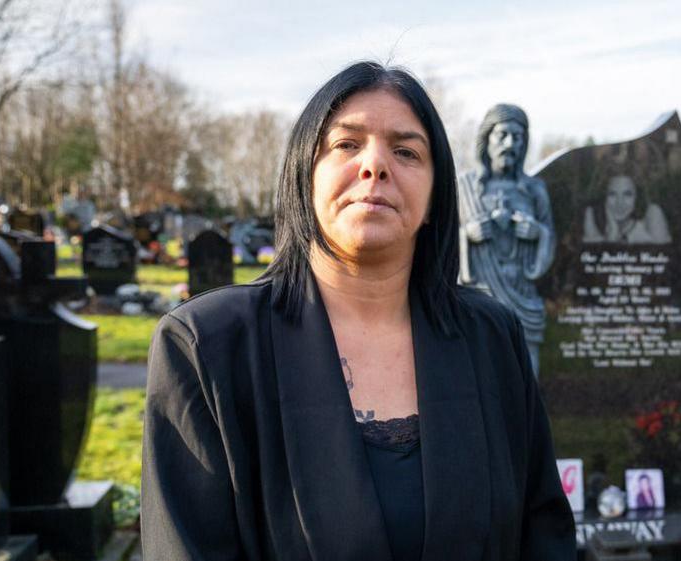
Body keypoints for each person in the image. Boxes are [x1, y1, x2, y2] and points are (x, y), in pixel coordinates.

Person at [141, 62, 576, 560]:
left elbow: (544, 534)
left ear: (436, 196)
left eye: (407, 151)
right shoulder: (205, 347)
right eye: (347, 145)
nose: (376, 165)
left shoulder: (492, 336)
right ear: (304, 173)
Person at [458, 104, 555, 376]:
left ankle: (525, 417)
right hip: (481, 295)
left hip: (522, 293)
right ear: (486, 139)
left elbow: (550, 236)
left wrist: (538, 234)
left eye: (518, 136)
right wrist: (467, 235)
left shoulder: (534, 190)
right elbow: (440, 242)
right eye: (502, 136)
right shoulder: (465, 187)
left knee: (527, 365)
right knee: (481, 367)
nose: (510, 144)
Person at [582, 175, 671, 244]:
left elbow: (663, 258)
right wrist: (613, 234)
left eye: (627, 194)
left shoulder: (652, 214)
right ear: (604, 197)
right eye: (612, 194)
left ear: (637, 197)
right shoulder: (592, 216)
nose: (620, 203)